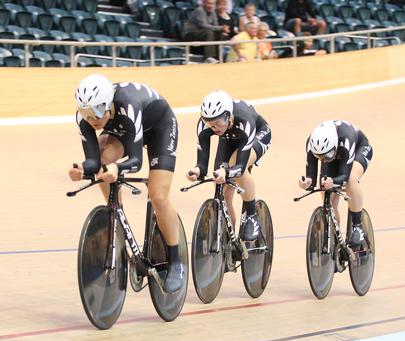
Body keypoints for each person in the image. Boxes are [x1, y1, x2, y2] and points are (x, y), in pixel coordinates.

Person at [68, 74, 185, 293]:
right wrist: (83, 169)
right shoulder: (86, 118)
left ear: (109, 104)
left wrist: (118, 169)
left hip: (160, 127)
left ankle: (176, 262)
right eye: (86, 113)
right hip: (124, 128)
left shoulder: (128, 104)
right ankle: (116, 213)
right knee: (103, 162)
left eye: (97, 111)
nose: (92, 118)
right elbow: (94, 161)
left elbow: (136, 161)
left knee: (158, 196)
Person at [187, 91, 271, 242]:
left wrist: (227, 171)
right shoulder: (205, 125)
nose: (213, 127)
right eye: (209, 123)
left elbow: (239, 166)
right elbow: (202, 164)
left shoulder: (245, 120)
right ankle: (229, 242)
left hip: (257, 135)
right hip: (228, 138)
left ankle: (251, 215)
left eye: (218, 122)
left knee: (236, 168)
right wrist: (197, 171)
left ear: (228, 116)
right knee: (223, 194)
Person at [298, 120, 373, 247]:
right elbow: (311, 176)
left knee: (351, 180)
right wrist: (307, 183)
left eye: (326, 155)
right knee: (328, 198)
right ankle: (335, 239)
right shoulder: (312, 145)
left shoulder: (346, 139)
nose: (323, 160)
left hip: (358, 149)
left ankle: (357, 226)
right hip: (335, 151)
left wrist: (334, 181)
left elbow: (343, 177)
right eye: (319, 157)